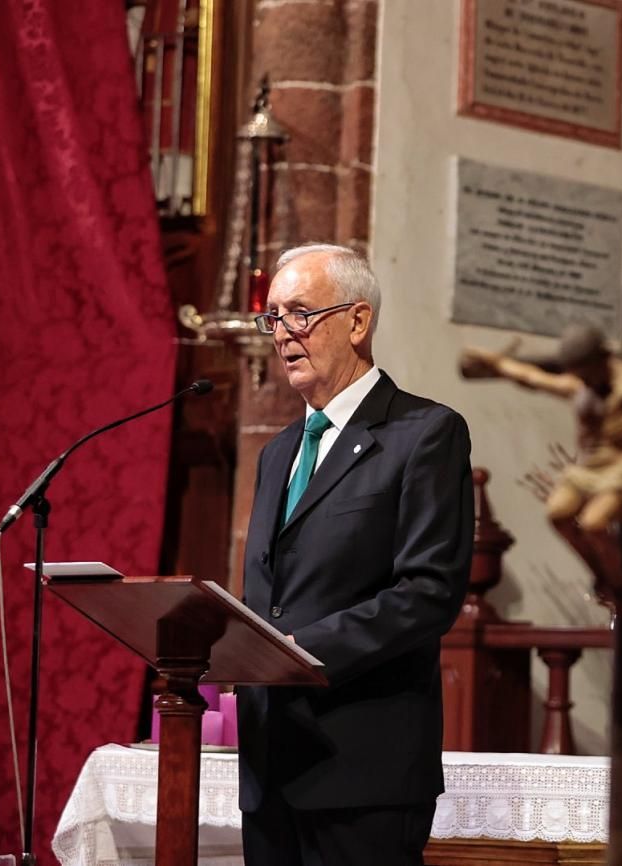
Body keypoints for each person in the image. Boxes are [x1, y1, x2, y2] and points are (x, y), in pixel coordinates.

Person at [237, 243, 474, 865]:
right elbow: (270, 593)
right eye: (273, 319)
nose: (283, 334)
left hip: (363, 769)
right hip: (270, 770)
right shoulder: (278, 453)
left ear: (358, 321)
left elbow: (427, 594)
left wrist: (298, 654)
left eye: (299, 313)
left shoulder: (423, 434)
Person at [459, 324, 622, 611]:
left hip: (619, 466)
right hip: (587, 469)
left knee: (593, 522)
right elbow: (530, 377)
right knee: (557, 513)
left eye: (585, 369)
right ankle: (602, 574)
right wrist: (495, 362)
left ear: (601, 359)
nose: (581, 377)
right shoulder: (576, 387)